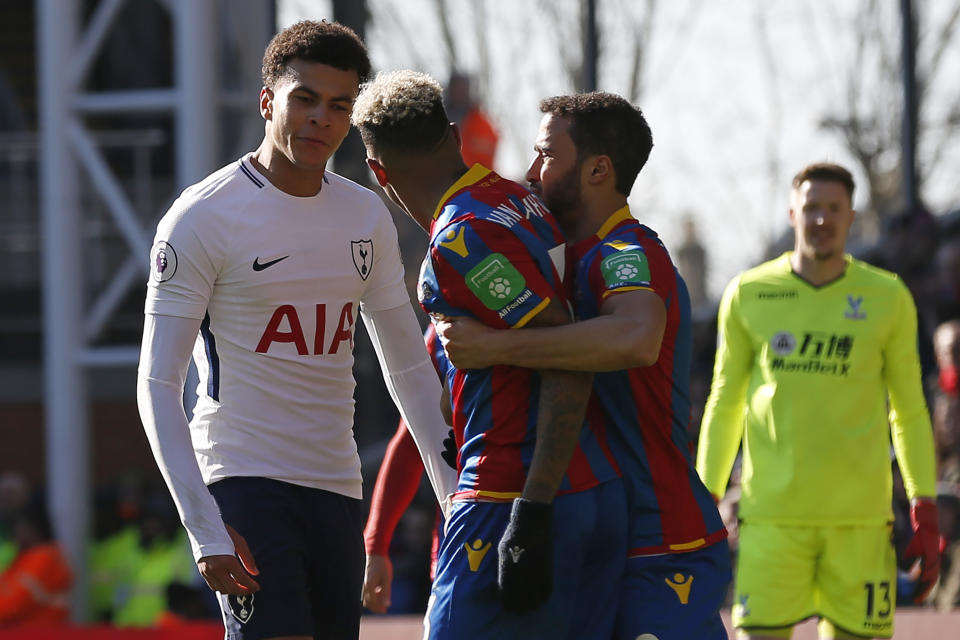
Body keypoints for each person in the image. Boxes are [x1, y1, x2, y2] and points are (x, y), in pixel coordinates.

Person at [136, 21, 456, 640]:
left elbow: (411, 372)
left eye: (339, 106)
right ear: (267, 101)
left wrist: (452, 498)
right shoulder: (201, 217)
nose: (321, 120)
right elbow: (157, 383)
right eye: (304, 99)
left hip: (337, 485)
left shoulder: (365, 214)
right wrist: (203, 524)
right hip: (245, 479)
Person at [436, 92, 731, 640]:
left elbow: (635, 338)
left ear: (597, 170)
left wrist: (497, 348)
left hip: (660, 538)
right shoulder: (557, 265)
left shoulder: (627, 250)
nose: (530, 171)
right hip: (593, 532)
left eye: (546, 154)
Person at [351, 71, 626, 639]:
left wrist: (532, 511)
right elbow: (427, 415)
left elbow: (566, 352)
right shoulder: (520, 201)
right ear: (453, 135)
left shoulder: (462, 239)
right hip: (587, 490)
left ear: (378, 174)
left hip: (508, 494)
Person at [696, 162, 940, 640]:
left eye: (834, 209)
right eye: (811, 208)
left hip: (861, 526)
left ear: (852, 217)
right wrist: (703, 496)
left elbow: (909, 409)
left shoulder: (888, 297)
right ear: (792, 213)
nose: (822, 219)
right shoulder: (749, 293)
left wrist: (924, 502)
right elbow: (725, 402)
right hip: (771, 523)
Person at [362, 324, 450, 614]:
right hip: (463, 523)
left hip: (562, 511)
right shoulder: (441, 333)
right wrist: (375, 544)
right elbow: (411, 438)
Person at [0, 502, 72, 627]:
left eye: (20, 526)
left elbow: (15, 603)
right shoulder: (25, 557)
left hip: (38, 631)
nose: (16, 532)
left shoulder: (44, 558)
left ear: (35, 527)